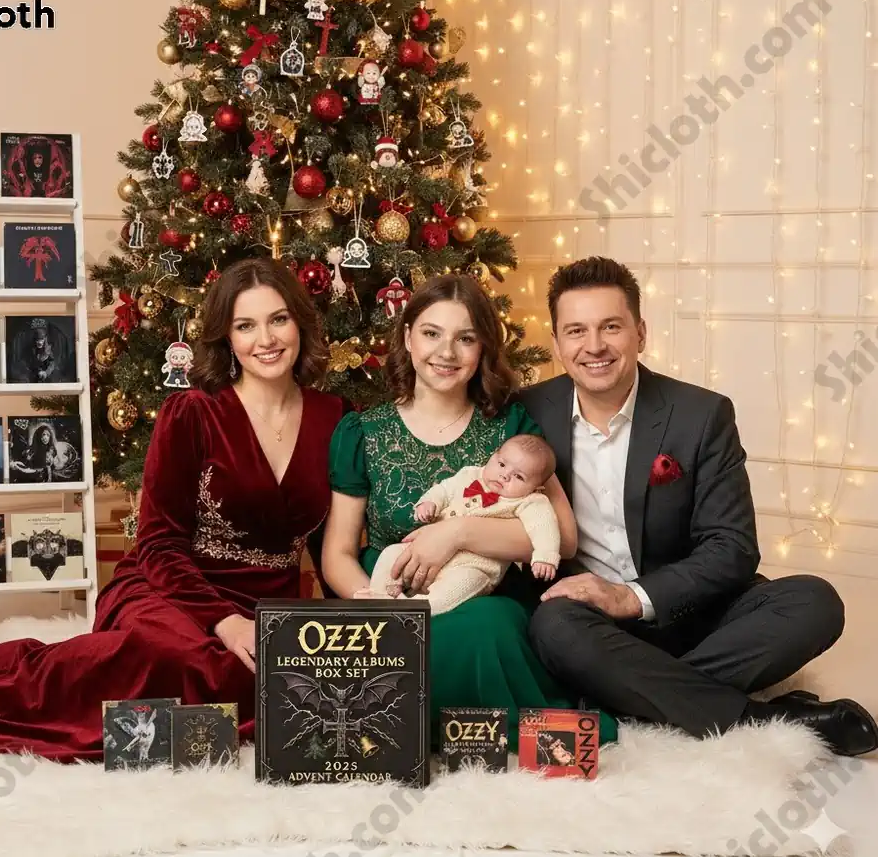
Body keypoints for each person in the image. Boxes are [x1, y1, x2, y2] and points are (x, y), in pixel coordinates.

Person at [0, 258, 344, 760]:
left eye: (278, 319)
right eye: (245, 325)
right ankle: (15, 681)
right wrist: (224, 622)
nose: (266, 339)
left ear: (299, 321)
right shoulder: (192, 414)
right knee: (180, 658)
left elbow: (330, 545)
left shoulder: (336, 418)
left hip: (267, 604)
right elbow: (159, 544)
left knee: (280, 672)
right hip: (170, 587)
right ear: (225, 338)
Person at [522, 255, 878, 757]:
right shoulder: (529, 412)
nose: (594, 346)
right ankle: (760, 717)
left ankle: (632, 693)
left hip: (692, 614)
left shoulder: (701, 413)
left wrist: (632, 597)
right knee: (553, 627)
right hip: (591, 627)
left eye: (611, 326)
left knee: (814, 602)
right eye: (576, 330)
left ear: (640, 333)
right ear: (557, 343)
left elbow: (732, 548)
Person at [322, 273, 619, 749]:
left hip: (477, 595)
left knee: (489, 627)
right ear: (407, 338)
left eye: (466, 338)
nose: (447, 352)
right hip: (387, 597)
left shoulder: (512, 429)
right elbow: (337, 550)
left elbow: (561, 539)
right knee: (388, 644)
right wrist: (371, 605)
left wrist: (459, 532)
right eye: (431, 333)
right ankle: (402, 729)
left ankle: (485, 736)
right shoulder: (362, 431)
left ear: (482, 349)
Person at [363, 434, 563, 614]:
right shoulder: (470, 475)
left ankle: (415, 609)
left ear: (537, 487)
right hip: (426, 551)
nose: (505, 475)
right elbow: (444, 490)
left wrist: (545, 556)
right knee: (391, 554)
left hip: (474, 566)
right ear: (493, 456)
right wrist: (429, 502)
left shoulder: (531, 501)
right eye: (502, 464)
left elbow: (544, 527)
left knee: (461, 585)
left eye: (519, 476)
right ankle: (379, 596)